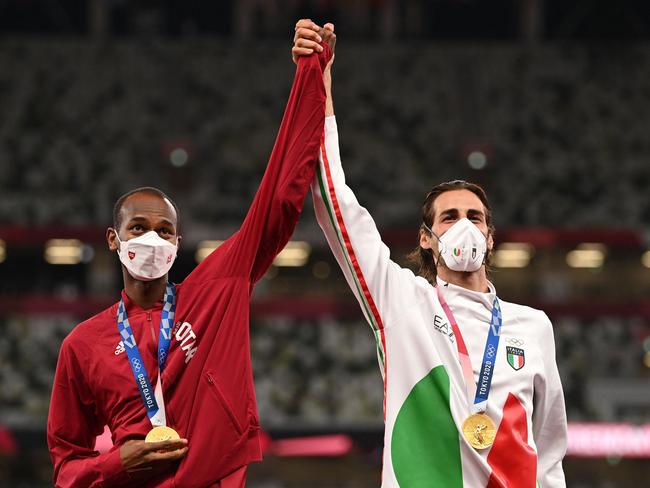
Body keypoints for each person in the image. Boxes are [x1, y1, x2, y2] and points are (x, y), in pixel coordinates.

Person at [47, 31, 334, 488]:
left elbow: (279, 196)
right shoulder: (82, 345)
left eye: (165, 230)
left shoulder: (215, 290)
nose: (153, 239)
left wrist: (311, 74)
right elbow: (65, 470)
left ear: (178, 244)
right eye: (138, 228)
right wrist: (119, 463)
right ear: (113, 239)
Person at [293, 20, 567, 488]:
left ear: (491, 236)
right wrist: (320, 84)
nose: (464, 225)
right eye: (448, 217)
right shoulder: (401, 300)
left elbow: (550, 456)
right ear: (426, 237)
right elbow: (332, 201)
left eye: (474, 216)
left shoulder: (534, 326)